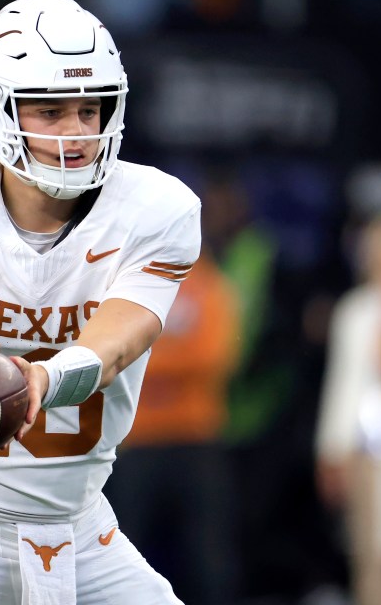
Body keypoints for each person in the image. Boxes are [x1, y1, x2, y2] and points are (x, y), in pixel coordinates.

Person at [0, 0, 200, 604]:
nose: (77, 134)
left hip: (81, 529)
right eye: (50, 111)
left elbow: (116, 342)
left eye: (90, 109)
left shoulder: (160, 209)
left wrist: (38, 382)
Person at [106, 248, 242, 605]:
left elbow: (215, 355)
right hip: (136, 440)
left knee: (208, 554)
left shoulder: (208, 283)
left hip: (195, 437)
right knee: (123, 550)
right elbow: (105, 355)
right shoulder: (127, 279)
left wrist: (145, 358)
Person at [314, 209, 381, 605]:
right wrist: (331, 450)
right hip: (367, 451)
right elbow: (344, 382)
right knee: (370, 552)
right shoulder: (356, 310)